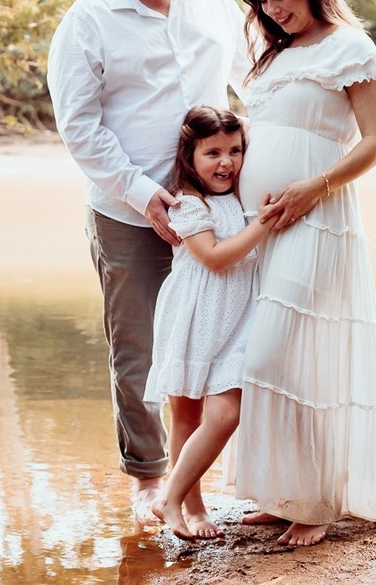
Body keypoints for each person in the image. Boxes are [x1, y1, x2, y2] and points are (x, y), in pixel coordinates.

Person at [47, 0, 250, 524]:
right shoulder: (87, 21)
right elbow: (79, 127)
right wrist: (143, 194)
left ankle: (210, 479)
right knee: (138, 345)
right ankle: (148, 479)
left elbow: (253, 79)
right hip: (127, 211)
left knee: (217, 338)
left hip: (215, 209)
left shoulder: (211, 0)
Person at [234, 0, 376, 546]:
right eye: (262, 1)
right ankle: (284, 493)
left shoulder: (349, 47)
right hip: (261, 228)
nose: (273, 9)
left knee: (276, 354)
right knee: (275, 358)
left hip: (317, 218)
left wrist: (315, 187)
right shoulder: (273, 56)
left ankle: (320, 500)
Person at [143, 106, 277, 540]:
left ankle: (170, 496)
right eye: (213, 153)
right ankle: (192, 508)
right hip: (194, 318)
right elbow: (215, 259)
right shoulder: (186, 203)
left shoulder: (242, 196)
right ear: (190, 157)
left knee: (225, 413)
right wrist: (265, 224)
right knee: (186, 417)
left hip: (238, 321)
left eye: (235, 151)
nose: (226, 162)